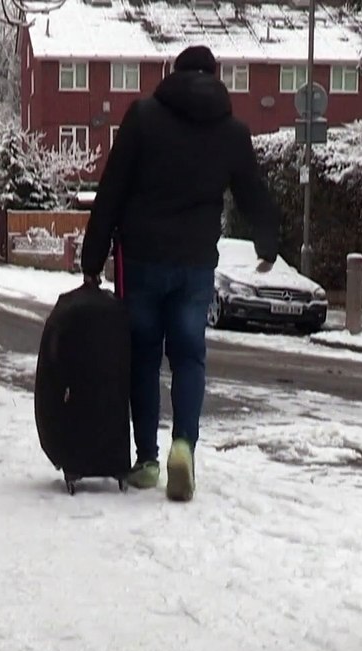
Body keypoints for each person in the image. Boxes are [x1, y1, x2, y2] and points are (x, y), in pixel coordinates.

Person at [79, 45, 282, 503]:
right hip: (194, 265)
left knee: (144, 358)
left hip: (142, 260)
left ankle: (147, 459)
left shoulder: (143, 116)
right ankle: (184, 446)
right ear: (215, 76)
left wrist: (92, 261)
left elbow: (111, 189)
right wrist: (268, 244)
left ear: (173, 73)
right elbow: (253, 195)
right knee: (190, 356)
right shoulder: (232, 131)